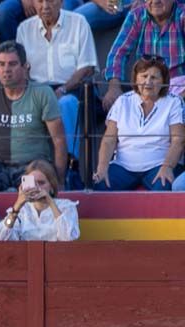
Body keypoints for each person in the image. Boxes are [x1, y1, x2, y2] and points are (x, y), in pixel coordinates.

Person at [0, 40, 67, 192]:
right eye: (1, 64)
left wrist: (59, 182)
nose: (6, 69)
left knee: (31, 187)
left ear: (25, 67)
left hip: (33, 164)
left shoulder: (43, 92)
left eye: (12, 64)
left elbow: (59, 141)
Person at [15, 0, 96, 163]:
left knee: (66, 103)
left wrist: (62, 90)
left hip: (72, 87)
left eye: (51, 1)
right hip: (37, 89)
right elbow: (22, 70)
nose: (45, 6)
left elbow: (87, 67)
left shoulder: (78, 22)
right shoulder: (24, 28)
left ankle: (70, 163)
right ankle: (30, 165)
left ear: (61, 2)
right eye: (39, 1)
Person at [94, 55, 185, 190]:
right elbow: (109, 140)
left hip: (159, 164)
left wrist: (167, 167)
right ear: (136, 78)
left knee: (164, 186)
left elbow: (179, 140)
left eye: (154, 78)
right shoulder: (123, 101)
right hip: (123, 166)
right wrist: (102, 168)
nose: (148, 82)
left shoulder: (174, 102)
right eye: (144, 76)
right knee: (100, 185)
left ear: (164, 81)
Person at [102, 0, 185, 112]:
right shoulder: (137, 15)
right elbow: (118, 53)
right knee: (116, 116)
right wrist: (114, 87)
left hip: (179, 87)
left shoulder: (182, 15)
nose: (155, 1)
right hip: (146, 87)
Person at [0, 159, 79, 239]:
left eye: (41, 183)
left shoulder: (66, 207)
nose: (36, 187)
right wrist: (17, 207)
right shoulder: (22, 211)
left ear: (52, 186)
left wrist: (50, 202)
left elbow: (68, 238)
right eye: (33, 183)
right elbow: (1, 239)